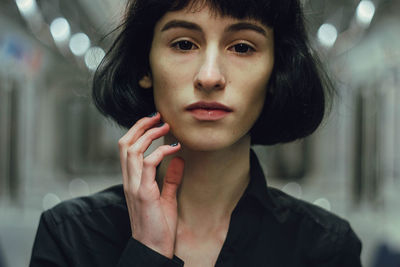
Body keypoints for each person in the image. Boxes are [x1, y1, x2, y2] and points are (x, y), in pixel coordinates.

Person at [30, 0, 362, 266]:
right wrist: (147, 252)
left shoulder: (325, 249)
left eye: (243, 47)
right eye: (185, 44)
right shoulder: (71, 237)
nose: (209, 76)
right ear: (145, 67)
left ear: (276, 73)